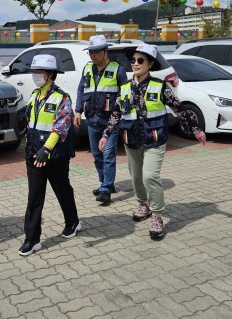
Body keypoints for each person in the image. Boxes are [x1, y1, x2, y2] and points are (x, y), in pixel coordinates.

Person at [99, 44, 206, 240]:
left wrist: (196, 129)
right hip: (131, 140)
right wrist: (106, 135)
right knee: (136, 177)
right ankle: (143, 204)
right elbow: (116, 113)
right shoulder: (124, 88)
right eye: (133, 61)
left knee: (150, 177)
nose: (136, 64)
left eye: (141, 60)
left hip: (155, 140)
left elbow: (179, 108)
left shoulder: (160, 86)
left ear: (150, 64)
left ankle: (157, 215)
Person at [19, 54, 80, 256]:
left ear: (51, 74)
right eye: (34, 71)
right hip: (33, 154)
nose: (35, 75)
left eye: (39, 72)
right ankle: (32, 238)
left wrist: (46, 149)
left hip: (54, 155)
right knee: (34, 196)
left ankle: (73, 221)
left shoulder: (62, 98)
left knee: (62, 189)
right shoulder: (34, 95)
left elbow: (61, 127)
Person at [74, 35, 128, 205]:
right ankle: (106, 182)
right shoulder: (87, 69)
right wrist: (77, 111)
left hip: (110, 122)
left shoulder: (118, 69)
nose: (93, 55)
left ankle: (105, 188)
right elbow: (81, 90)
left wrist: (122, 115)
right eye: (90, 52)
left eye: (96, 52)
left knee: (108, 155)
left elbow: (125, 95)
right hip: (92, 120)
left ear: (105, 51)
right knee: (97, 155)